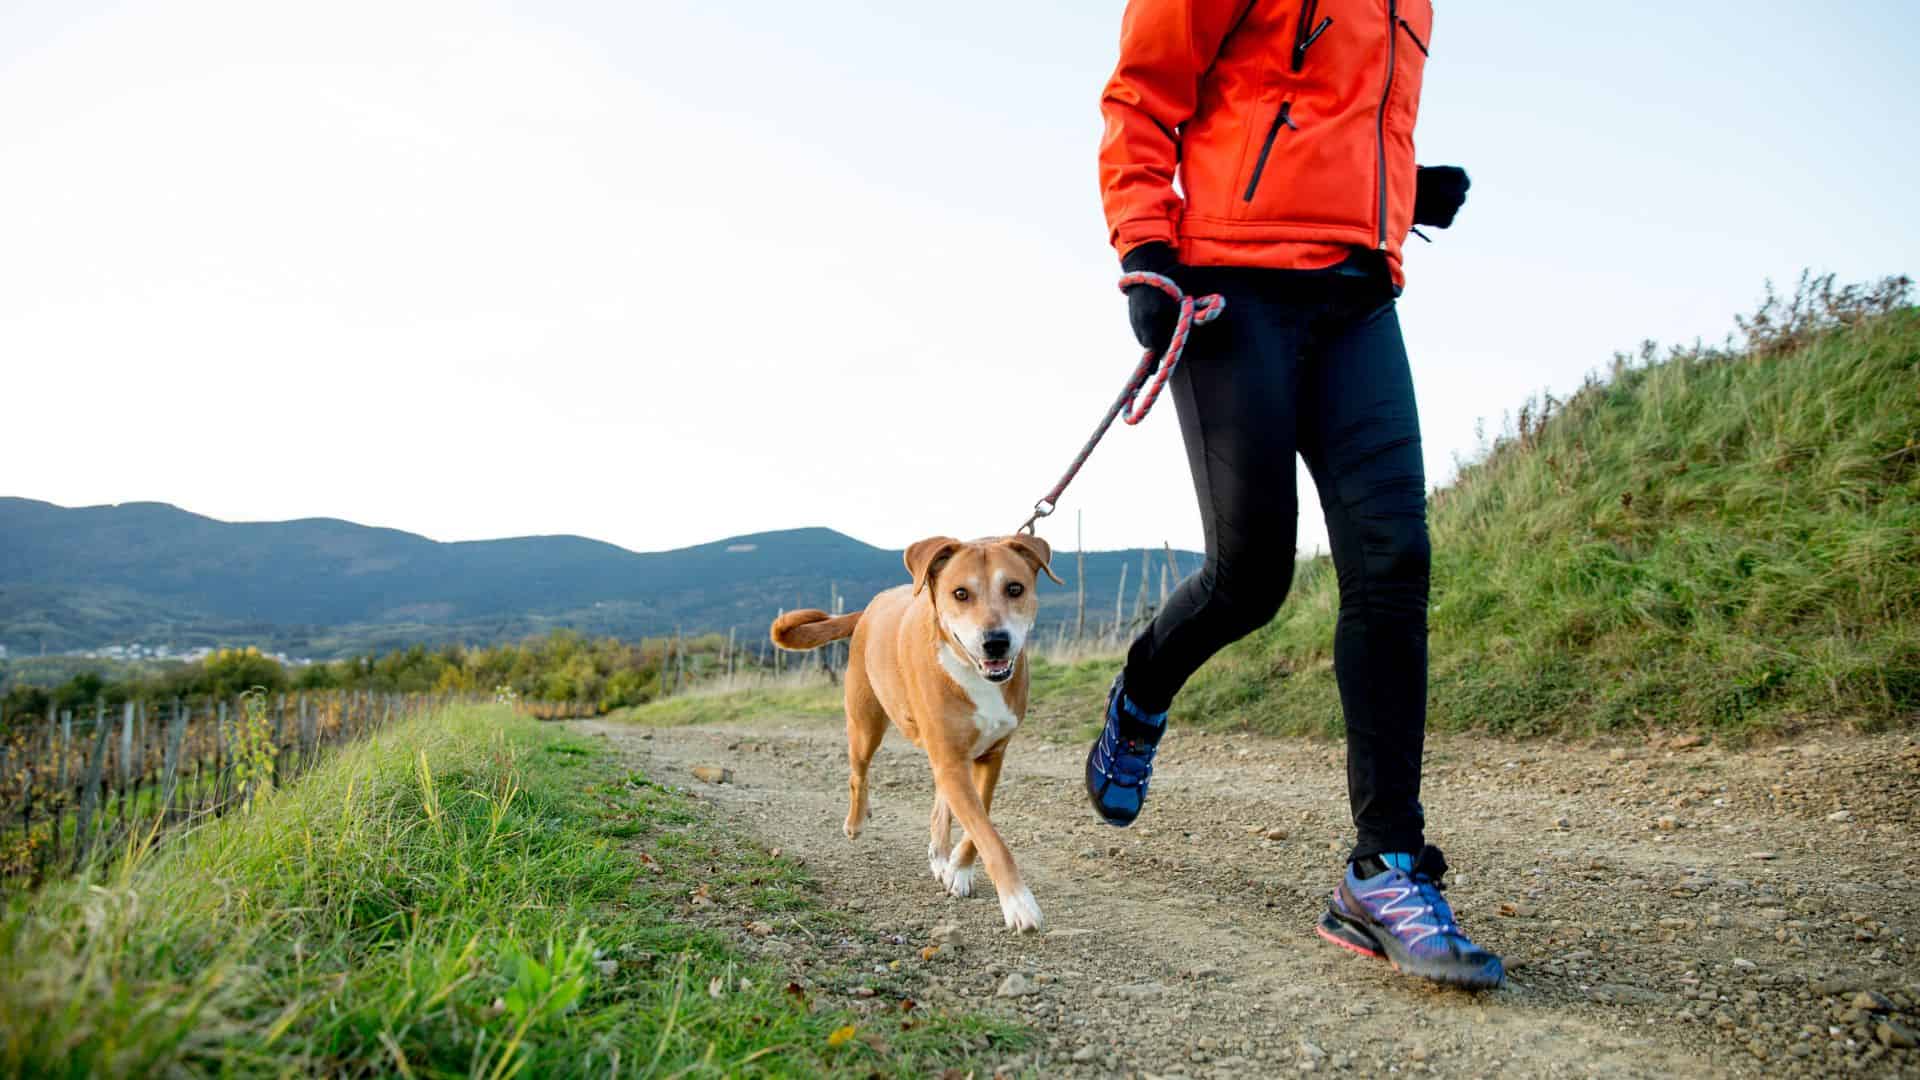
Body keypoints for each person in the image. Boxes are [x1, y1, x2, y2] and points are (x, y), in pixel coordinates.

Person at [1082, 0, 1502, 989]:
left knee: (1394, 560)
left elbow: (1328, 104)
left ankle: (1384, 869)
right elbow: (1144, 91)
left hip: (1359, 293)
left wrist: (1394, 190)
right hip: (1232, 282)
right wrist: (1144, 245)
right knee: (1252, 576)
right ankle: (1142, 695)